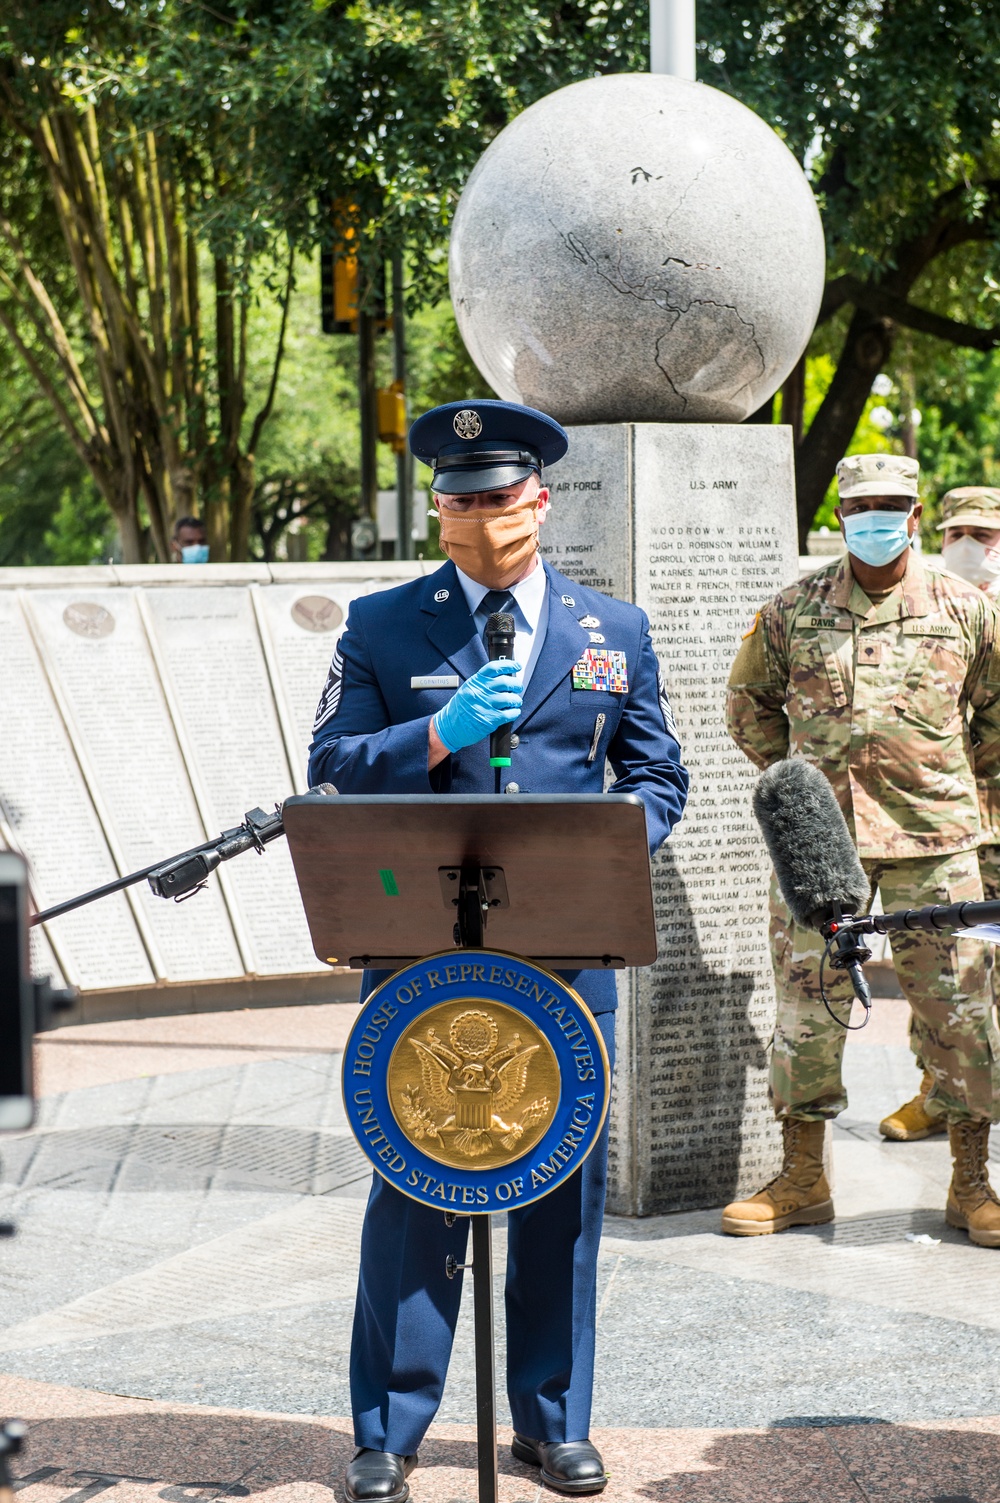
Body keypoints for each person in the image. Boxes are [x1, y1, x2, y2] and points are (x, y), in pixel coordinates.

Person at [308, 398, 688, 1502]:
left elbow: (659, 774)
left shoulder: (614, 628)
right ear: (438, 512)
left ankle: (550, 1421)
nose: (483, 517)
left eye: (500, 499)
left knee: (560, 1196)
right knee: (415, 1182)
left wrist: (613, 843)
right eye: (460, 502)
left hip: (565, 954)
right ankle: (388, 1430)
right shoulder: (382, 626)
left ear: (540, 501)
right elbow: (332, 766)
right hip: (420, 957)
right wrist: (436, 734)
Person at [723, 452, 1000, 1247]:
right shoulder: (792, 609)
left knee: (960, 1013)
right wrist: (803, 793)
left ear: (914, 518)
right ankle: (803, 1179)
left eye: (890, 507)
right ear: (841, 516)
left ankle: (972, 1182)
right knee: (807, 1007)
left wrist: (953, 785)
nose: (875, 520)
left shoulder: (964, 607)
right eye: (860, 507)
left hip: (935, 842)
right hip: (824, 849)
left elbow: (996, 713)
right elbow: (747, 707)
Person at [880, 485, 1000, 1141]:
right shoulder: (924, 615)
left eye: (984, 537)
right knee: (941, 973)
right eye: (957, 535)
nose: (969, 548)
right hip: (943, 829)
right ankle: (935, 1090)